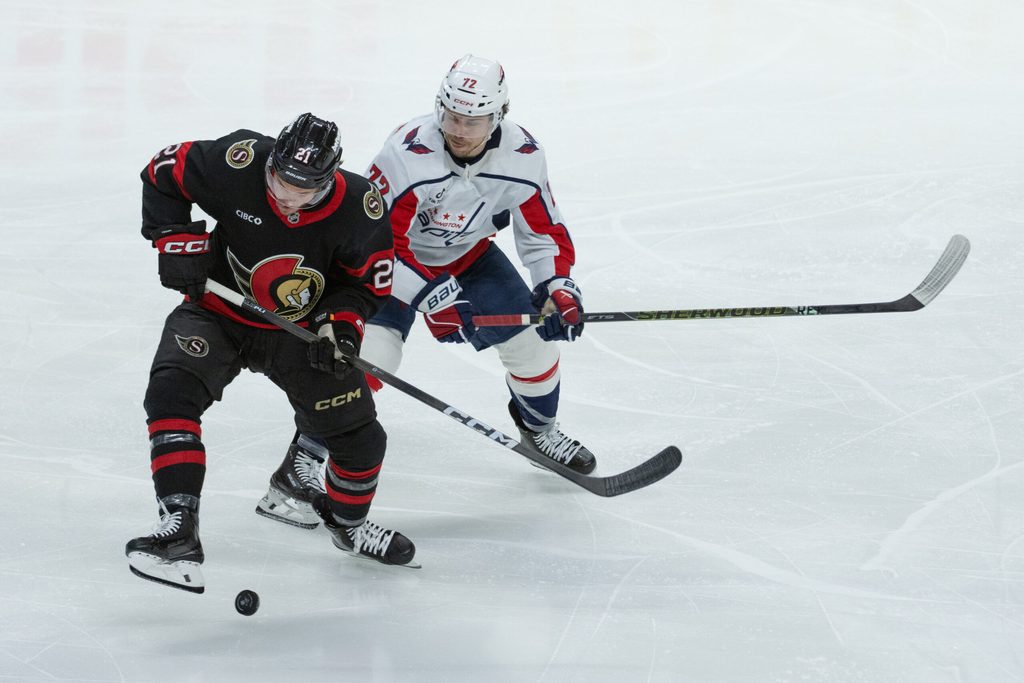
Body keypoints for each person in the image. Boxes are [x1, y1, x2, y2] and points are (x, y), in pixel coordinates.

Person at [256, 55, 596, 531]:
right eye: (452, 116)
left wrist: (556, 286)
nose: (459, 129)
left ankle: (539, 432)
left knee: (533, 346)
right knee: (366, 358)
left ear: (498, 115)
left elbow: (542, 231)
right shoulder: (407, 153)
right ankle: (302, 463)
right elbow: (371, 239)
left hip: (468, 255)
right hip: (387, 265)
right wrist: (432, 295)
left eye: (473, 120)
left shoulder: (523, 155)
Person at [126, 113, 417, 594]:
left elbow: (365, 285)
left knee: (362, 440)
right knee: (170, 395)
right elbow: (162, 174)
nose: (285, 194)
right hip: (216, 313)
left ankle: (348, 526)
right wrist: (174, 240)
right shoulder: (239, 161)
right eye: (280, 177)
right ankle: (178, 529)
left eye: (302, 188)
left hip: (298, 333)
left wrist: (339, 329)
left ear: (330, 177)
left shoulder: (361, 207)